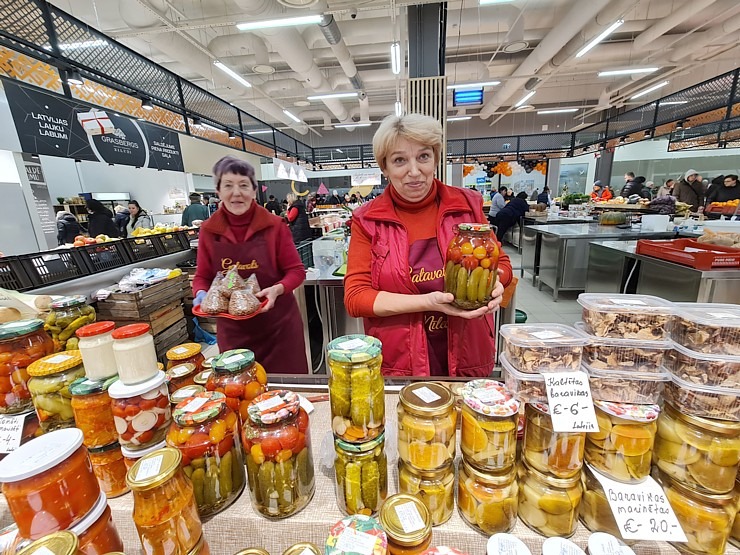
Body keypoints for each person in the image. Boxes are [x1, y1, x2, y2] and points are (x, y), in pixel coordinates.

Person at [344, 113, 513, 377]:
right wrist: (428, 302)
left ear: (435, 159)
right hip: (401, 359)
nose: (414, 171)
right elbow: (355, 298)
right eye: (400, 160)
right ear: (384, 167)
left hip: (468, 350)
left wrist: (495, 283)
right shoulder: (368, 220)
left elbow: (501, 264)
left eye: (423, 156)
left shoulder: (467, 205)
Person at [192, 157, 308, 373]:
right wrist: (201, 292)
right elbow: (202, 276)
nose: (237, 193)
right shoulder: (209, 231)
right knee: (241, 394)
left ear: (254, 190)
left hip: (279, 331)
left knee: (286, 398)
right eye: (228, 185)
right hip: (234, 335)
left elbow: (296, 271)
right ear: (218, 191)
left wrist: (277, 289)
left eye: (244, 185)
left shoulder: (274, 226)